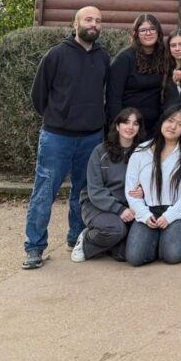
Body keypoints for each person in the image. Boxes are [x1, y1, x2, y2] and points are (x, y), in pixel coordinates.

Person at [23, 6, 110, 270]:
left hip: (91, 137)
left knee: (83, 193)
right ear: (75, 23)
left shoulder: (104, 57)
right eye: (88, 19)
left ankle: (76, 239)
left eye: (98, 20)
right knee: (44, 192)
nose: (93, 24)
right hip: (57, 138)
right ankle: (35, 248)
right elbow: (39, 96)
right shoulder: (56, 55)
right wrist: (58, 117)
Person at [123, 105, 181, 266]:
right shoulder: (141, 151)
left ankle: (171, 239)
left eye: (180, 124)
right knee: (134, 257)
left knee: (172, 255)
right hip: (149, 209)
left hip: (178, 210)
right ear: (162, 120)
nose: (173, 127)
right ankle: (159, 239)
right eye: (170, 120)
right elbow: (131, 189)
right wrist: (144, 214)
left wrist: (169, 216)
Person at [71, 107, 143, 263]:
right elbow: (95, 190)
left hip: (129, 208)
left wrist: (143, 191)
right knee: (116, 230)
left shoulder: (143, 153)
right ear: (117, 126)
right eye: (126, 122)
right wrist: (119, 209)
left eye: (135, 124)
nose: (130, 127)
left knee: (124, 254)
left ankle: (110, 243)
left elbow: (150, 182)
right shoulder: (100, 151)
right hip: (97, 204)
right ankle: (86, 241)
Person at [106, 13, 167, 134]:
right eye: (143, 30)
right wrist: (120, 126)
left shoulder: (164, 56)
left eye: (152, 29)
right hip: (129, 127)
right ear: (136, 34)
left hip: (154, 127)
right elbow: (113, 97)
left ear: (158, 31)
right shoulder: (125, 58)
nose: (148, 33)